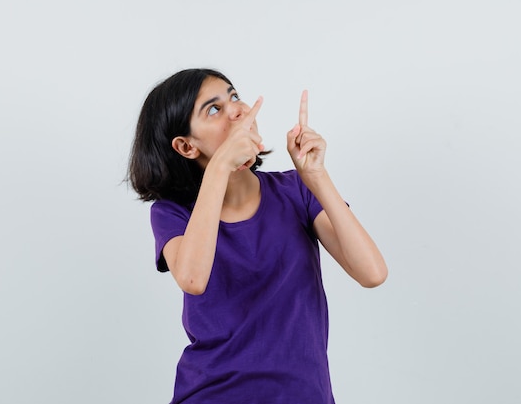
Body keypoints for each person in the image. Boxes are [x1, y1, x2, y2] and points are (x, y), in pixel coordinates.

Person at [128, 68, 387, 404]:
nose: (238, 109)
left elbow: (372, 273)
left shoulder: (296, 190)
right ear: (186, 147)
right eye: (214, 109)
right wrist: (221, 165)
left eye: (234, 96)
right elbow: (192, 278)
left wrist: (316, 176)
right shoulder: (173, 213)